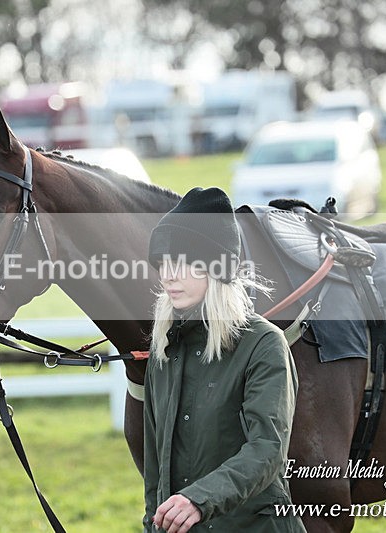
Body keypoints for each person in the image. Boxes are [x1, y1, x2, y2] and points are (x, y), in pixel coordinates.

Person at [143, 187, 305, 532]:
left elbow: (267, 449)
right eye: (163, 263)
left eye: (182, 263)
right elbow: (155, 461)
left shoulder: (264, 345)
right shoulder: (164, 349)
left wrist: (199, 500)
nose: (168, 275)